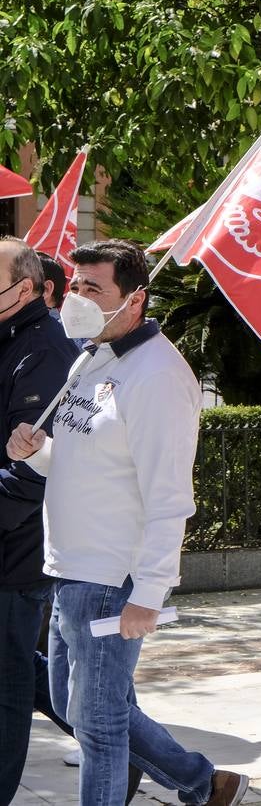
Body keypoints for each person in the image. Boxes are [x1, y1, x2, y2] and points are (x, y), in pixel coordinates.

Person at [6, 241, 248, 806]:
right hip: (69, 567)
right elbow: (78, 458)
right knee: (75, 708)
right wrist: (34, 452)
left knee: (101, 727)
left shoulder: (158, 376)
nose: (78, 299)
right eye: (76, 286)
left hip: (112, 577)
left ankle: (195, 782)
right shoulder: (88, 358)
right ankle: (201, 781)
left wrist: (151, 592)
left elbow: (170, 497)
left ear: (134, 299)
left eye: (95, 288)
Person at [0, 239, 80, 803]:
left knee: (9, 689)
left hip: (15, 552)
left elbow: (33, 470)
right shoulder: (8, 340)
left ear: (24, 288)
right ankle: (137, 750)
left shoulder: (45, 350)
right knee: (29, 676)